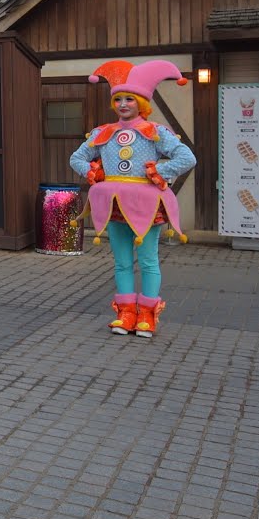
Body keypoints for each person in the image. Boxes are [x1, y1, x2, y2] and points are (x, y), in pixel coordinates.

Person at [70, 59, 196, 339]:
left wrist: (158, 170)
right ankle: (126, 313)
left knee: (149, 260)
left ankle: (148, 315)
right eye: (119, 99)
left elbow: (187, 157)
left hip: (147, 205)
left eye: (130, 99)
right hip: (113, 204)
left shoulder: (155, 132)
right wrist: (93, 171)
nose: (123, 104)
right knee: (122, 262)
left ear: (142, 103)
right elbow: (77, 157)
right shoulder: (103, 133)